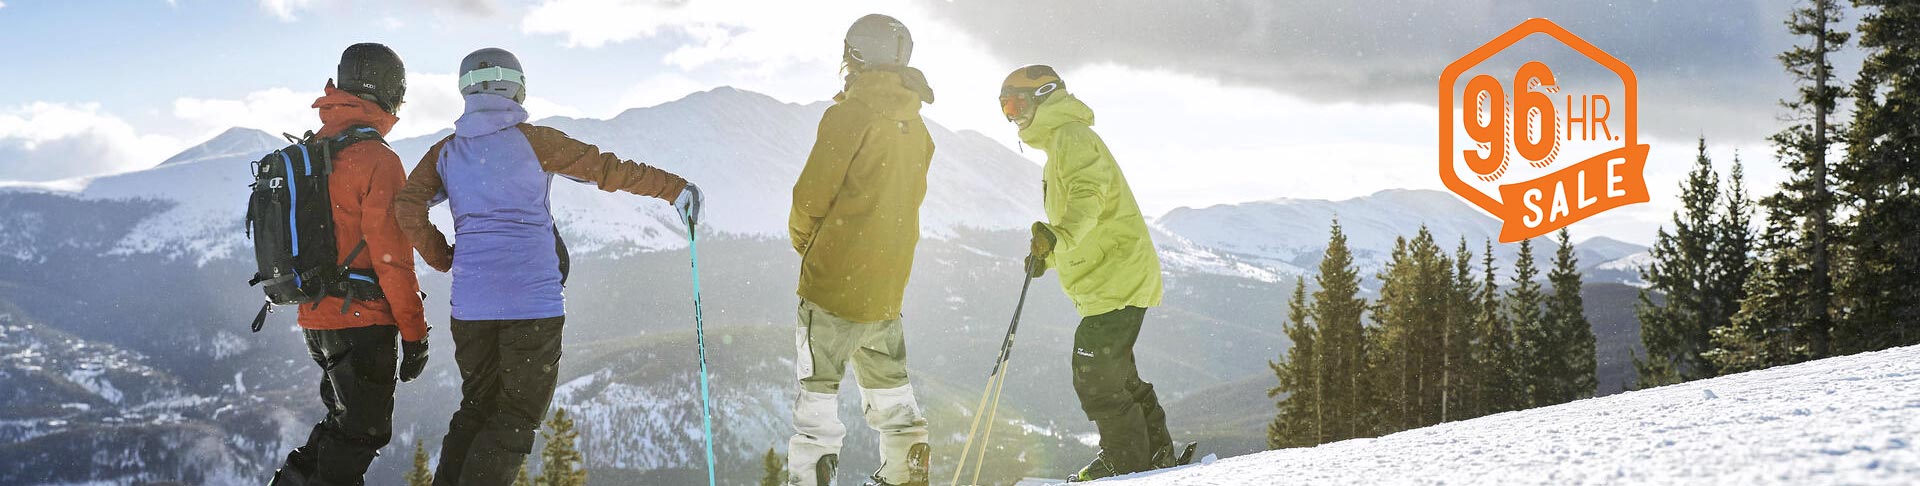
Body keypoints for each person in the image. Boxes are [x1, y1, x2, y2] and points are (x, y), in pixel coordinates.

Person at [392, 47, 705, 485]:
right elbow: (608, 171)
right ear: (516, 87)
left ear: (466, 91)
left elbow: (407, 206)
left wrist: (445, 257)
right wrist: (675, 189)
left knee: (476, 407)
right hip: (532, 305)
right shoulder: (536, 141)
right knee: (515, 416)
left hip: (471, 307)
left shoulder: (446, 153)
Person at [1000, 65, 1175, 481]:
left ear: (1044, 97)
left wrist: (1056, 237)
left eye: (1017, 103)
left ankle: (1126, 461)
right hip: (1111, 277)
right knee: (1116, 373)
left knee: (1095, 372)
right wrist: (1050, 256)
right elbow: (1084, 220)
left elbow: (1087, 199)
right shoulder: (1061, 144)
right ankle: (1156, 455)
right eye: (1005, 107)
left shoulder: (1072, 138)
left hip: (1117, 277)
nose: (1013, 116)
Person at [269, 42, 432, 486]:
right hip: (363, 321)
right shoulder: (377, 159)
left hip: (316, 317)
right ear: (390, 92)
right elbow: (393, 260)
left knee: (342, 427)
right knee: (363, 431)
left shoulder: (315, 152)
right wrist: (415, 334)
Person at [785, 13, 937, 486]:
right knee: (891, 394)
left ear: (854, 56)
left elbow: (810, 197)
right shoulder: (918, 130)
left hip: (833, 285)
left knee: (817, 400)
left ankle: (811, 477)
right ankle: (905, 473)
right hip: (886, 289)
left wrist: (811, 249)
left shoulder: (848, 115)